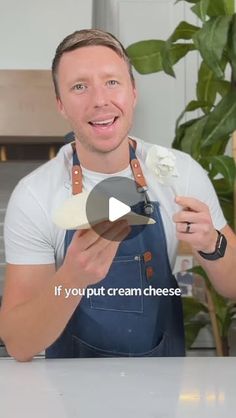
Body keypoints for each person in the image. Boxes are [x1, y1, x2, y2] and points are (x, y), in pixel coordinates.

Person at [0, 29, 236, 361]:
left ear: (133, 92)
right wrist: (71, 279)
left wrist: (213, 243)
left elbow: (233, 286)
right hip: (68, 399)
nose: (100, 100)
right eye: (79, 86)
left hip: (161, 389)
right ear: (61, 105)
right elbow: (20, 344)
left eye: (112, 82)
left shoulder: (179, 174)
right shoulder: (35, 195)